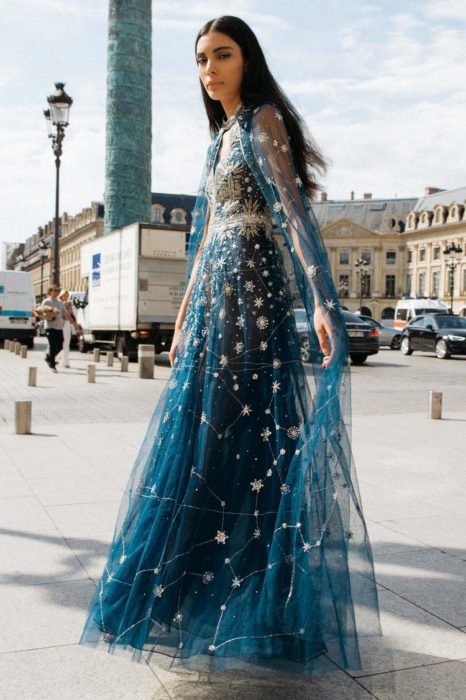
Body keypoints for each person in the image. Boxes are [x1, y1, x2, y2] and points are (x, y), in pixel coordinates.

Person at [79, 15, 381, 677]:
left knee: (249, 444)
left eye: (222, 55)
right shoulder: (219, 141)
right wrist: (184, 313)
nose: (209, 69)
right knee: (202, 442)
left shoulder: (264, 121)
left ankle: (256, 607)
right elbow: (206, 234)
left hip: (255, 301)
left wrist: (323, 302)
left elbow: (293, 210)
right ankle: (199, 600)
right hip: (215, 305)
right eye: (200, 60)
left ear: (248, 60)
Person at [36, 285, 78, 372]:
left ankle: (48, 357)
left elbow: (66, 314)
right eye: (54, 290)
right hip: (50, 327)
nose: (56, 292)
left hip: (59, 327)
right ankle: (52, 365)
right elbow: (41, 314)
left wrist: (74, 323)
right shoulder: (46, 301)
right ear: (50, 292)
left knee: (60, 345)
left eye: (57, 291)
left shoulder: (60, 303)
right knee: (53, 345)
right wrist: (49, 316)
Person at [57, 289, 80, 368]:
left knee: (67, 342)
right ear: (61, 296)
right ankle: (58, 359)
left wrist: (75, 324)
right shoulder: (58, 303)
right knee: (60, 343)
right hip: (59, 324)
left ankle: (65, 360)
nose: (66, 297)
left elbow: (72, 314)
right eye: (64, 295)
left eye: (67, 295)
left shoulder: (69, 304)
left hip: (67, 324)